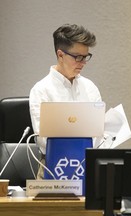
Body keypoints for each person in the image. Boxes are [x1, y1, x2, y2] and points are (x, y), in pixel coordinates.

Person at [29, 24, 102, 178]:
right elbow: (43, 138)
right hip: (52, 165)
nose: (83, 63)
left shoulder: (90, 88)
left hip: (87, 165)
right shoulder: (41, 89)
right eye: (78, 57)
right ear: (60, 55)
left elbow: (98, 132)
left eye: (86, 56)